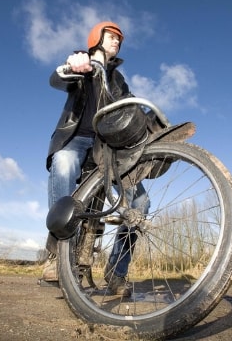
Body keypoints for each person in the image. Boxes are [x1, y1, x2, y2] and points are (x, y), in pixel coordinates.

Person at [41, 22, 149, 296]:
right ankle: (58, 256)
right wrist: (73, 65)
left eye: (119, 39)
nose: (117, 42)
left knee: (140, 201)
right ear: (97, 38)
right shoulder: (82, 62)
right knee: (64, 163)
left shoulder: (118, 79)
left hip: (108, 146)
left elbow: (130, 106)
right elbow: (57, 79)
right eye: (112, 37)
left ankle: (117, 273)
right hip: (76, 138)